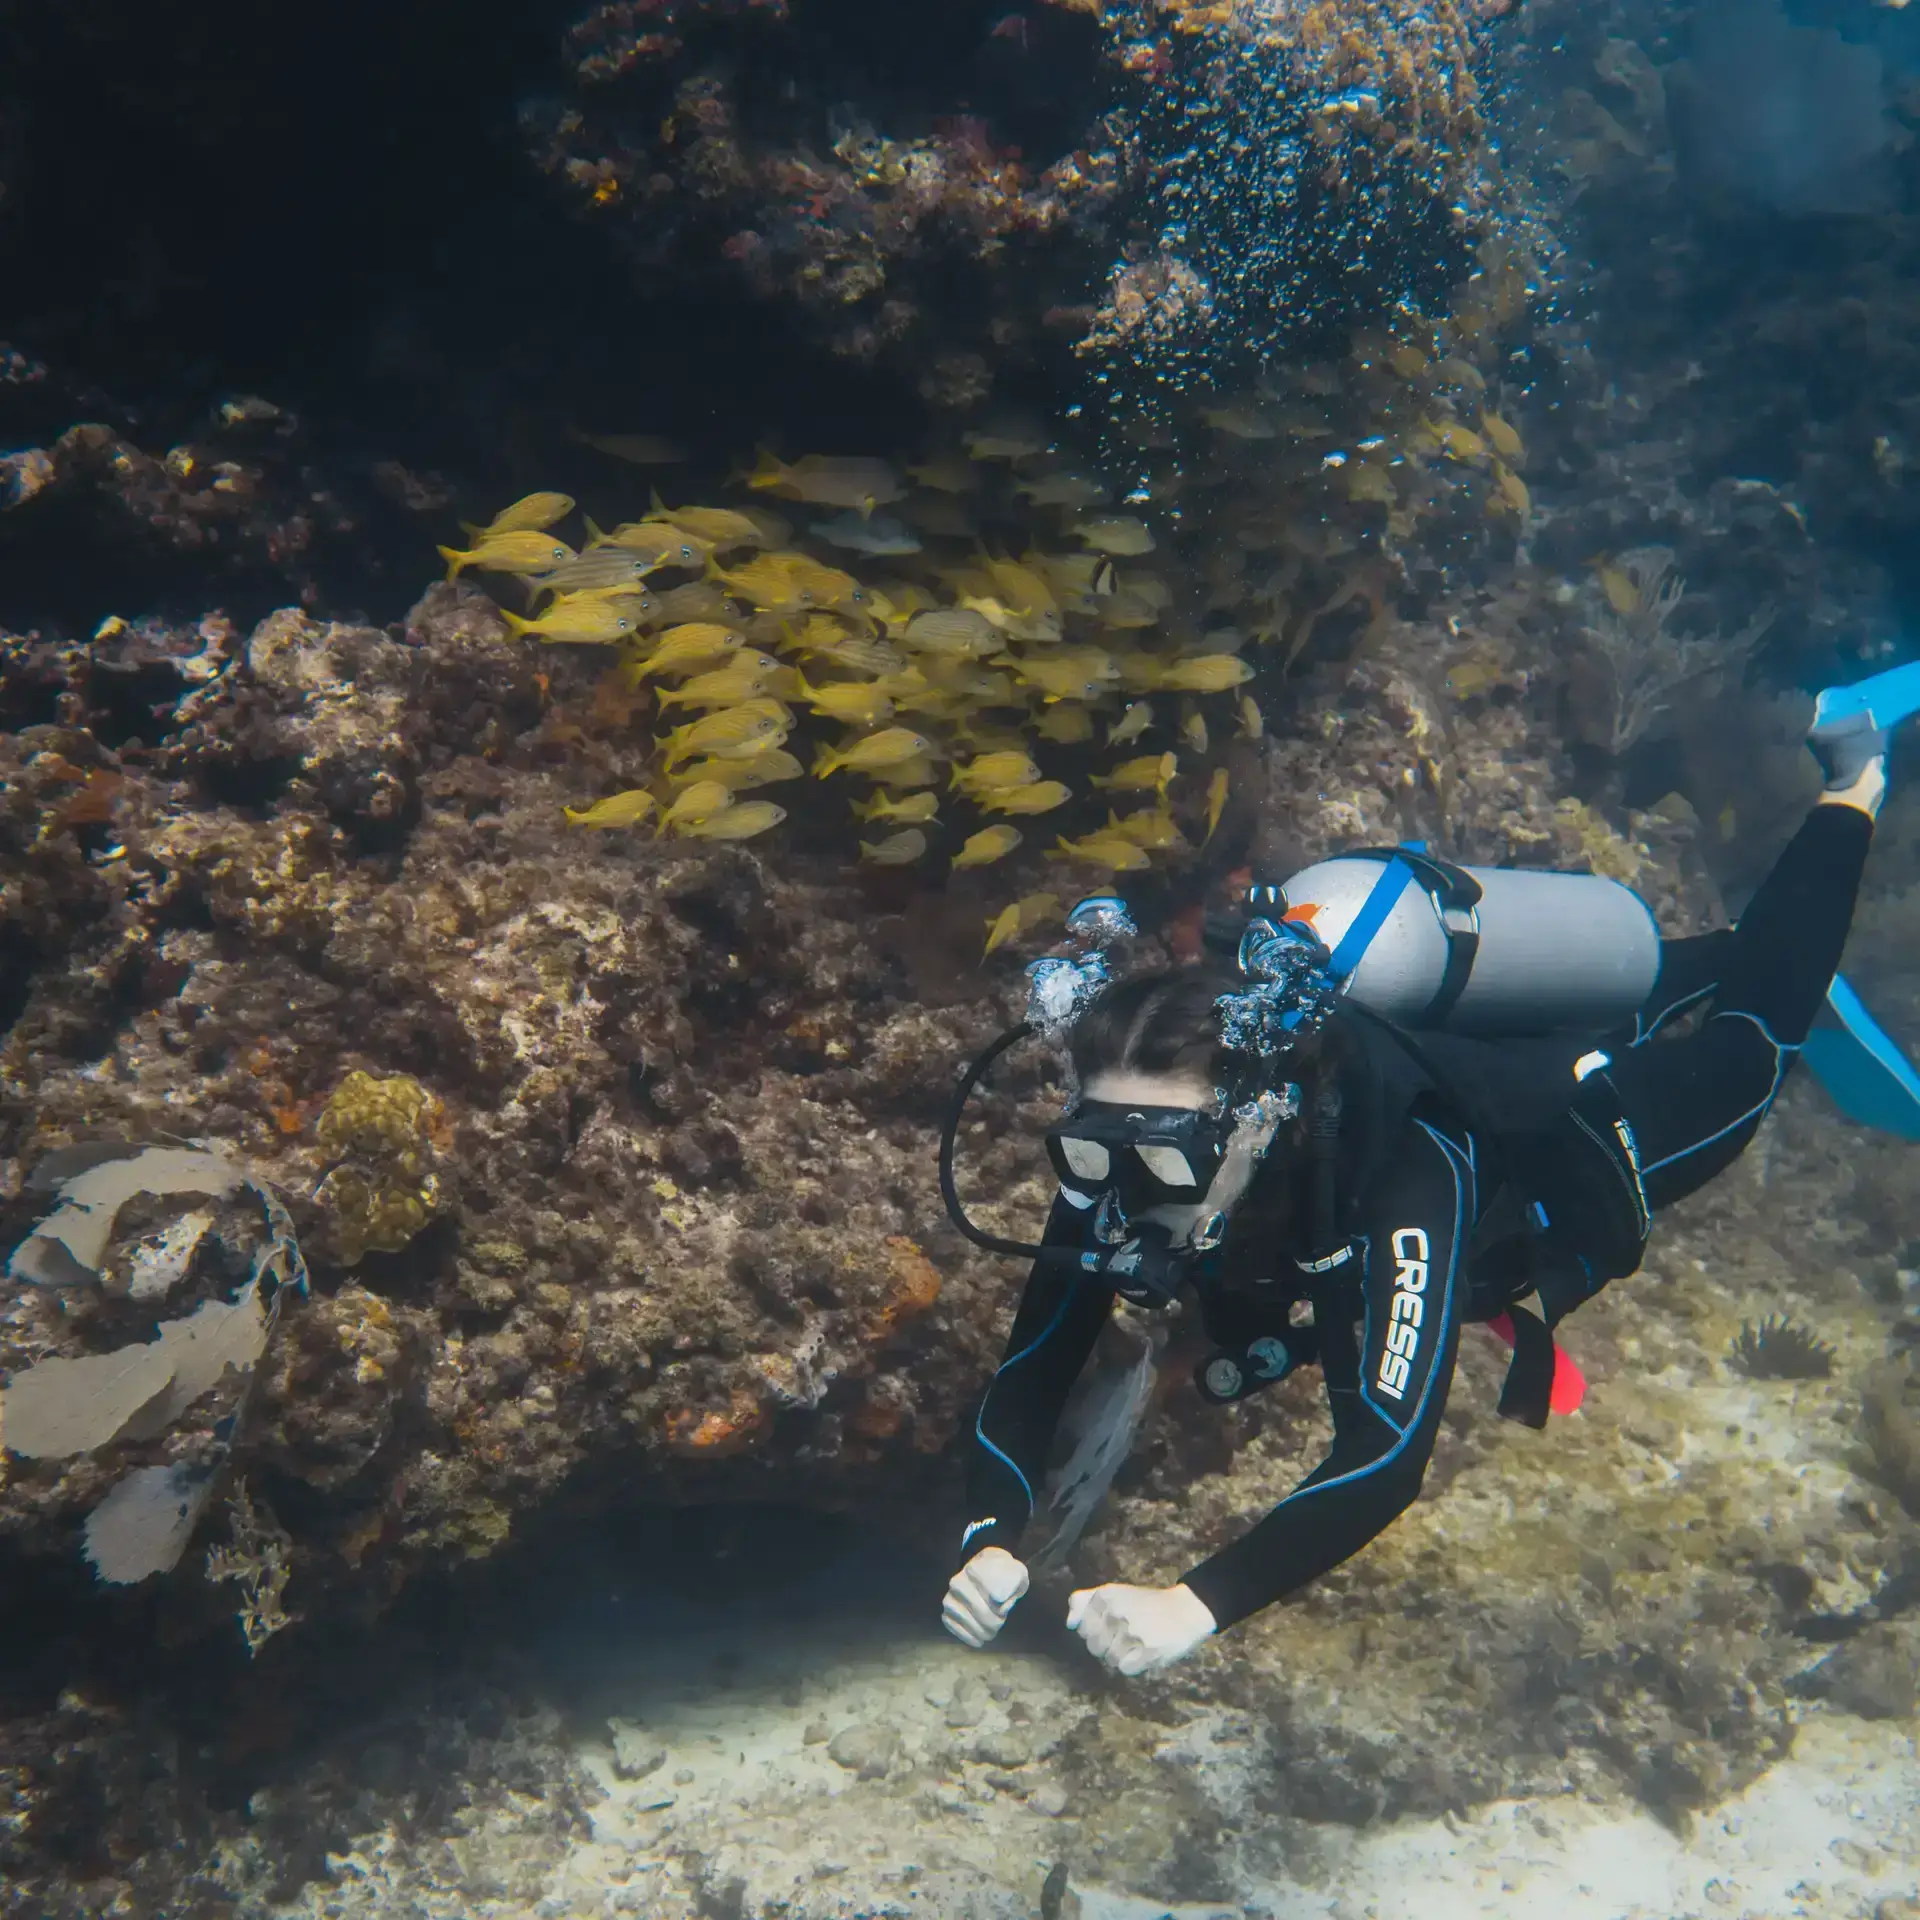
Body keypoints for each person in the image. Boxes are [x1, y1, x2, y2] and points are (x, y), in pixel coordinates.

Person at [941, 691, 1906, 1677]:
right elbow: (1030, 1375)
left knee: (1744, 1070)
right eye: (1092, 1151)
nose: (1124, 1192)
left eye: (1163, 1160)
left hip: (1547, 1139)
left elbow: (1384, 1458)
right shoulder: (1122, 1162)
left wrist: (1197, 1605)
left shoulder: (1406, 1164)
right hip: (1415, 1077)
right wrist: (988, 1534)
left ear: (1257, 1123)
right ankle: (1719, 964)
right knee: (1661, 1009)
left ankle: (1851, 794)